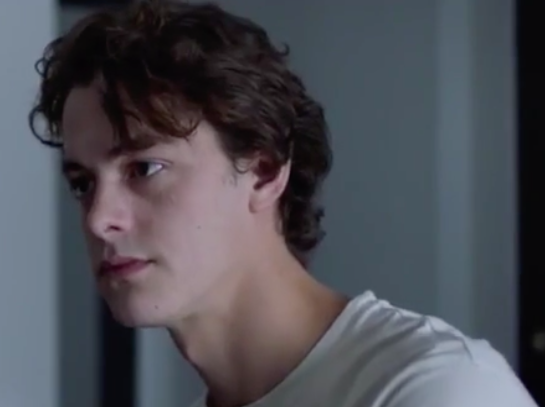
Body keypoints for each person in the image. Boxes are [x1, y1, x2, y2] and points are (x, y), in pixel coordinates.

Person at [27, 1, 538, 406]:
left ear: (264, 172)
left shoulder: (435, 389)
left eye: (144, 168)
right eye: (83, 184)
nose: (99, 219)